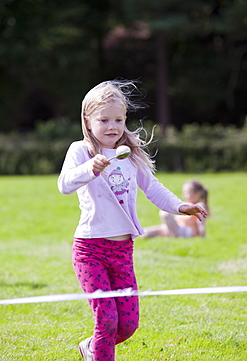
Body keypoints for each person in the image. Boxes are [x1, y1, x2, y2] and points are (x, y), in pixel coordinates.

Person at [57, 80, 208, 361]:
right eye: (103, 119)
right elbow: (64, 184)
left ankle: (91, 347)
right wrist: (90, 168)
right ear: (87, 122)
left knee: (127, 325)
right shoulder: (82, 151)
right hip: (90, 250)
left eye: (118, 119)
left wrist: (181, 206)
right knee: (107, 320)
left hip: (123, 251)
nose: (112, 126)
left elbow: (154, 189)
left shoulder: (131, 153)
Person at [141, 179, 209, 239]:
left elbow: (201, 224)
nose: (183, 195)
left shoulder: (199, 206)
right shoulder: (185, 204)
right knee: (145, 233)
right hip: (176, 226)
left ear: (197, 194)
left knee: (165, 214)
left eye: (187, 192)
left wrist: (202, 237)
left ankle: (174, 237)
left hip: (186, 230)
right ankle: (171, 234)